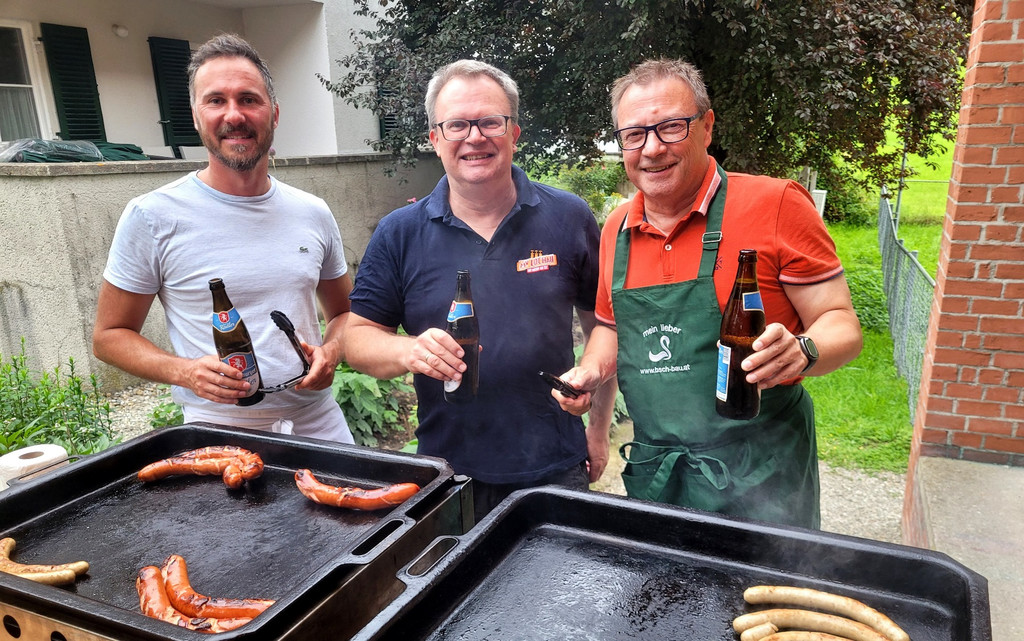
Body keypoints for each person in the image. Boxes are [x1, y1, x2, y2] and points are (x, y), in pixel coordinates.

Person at [554, 59, 863, 529]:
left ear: (707, 126)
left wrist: (803, 351)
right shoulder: (616, 227)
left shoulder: (777, 204)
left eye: (670, 127)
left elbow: (841, 322)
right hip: (661, 472)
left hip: (763, 469)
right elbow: (612, 327)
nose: (652, 148)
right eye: (634, 135)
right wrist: (592, 371)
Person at [345, 60, 616, 521]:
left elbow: (605, 325)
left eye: (491, 121)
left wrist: (598, 427)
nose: (474, 137)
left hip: (555, 468)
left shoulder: (569, 216)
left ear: (514, 133)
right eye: (457, 125)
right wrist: (410, 350)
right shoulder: (399, 233)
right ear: (435, 139)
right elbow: (356, 339)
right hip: (447, 475)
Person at [92, 34, 354, 443]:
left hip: (318, 422)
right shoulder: (152, 216)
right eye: (216, 100)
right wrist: (183, 371)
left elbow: (344, 313)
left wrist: (331, 352)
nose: (234, 115)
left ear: (274, 114)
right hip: (217, 431)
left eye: (249, 99)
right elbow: (109, 336)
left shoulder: (312, 212)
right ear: (196, 117)